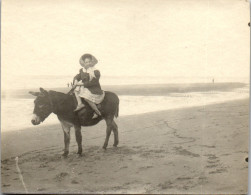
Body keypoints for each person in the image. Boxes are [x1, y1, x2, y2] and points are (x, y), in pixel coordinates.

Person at [73, 54, 104, 119]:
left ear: (92, 62)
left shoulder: (95, 71)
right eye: (86, 62)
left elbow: (93, 82)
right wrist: (76, 80)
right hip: (84, 87)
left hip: (93, 88)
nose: (88, 63)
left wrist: (80, 84)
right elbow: (78, 76)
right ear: (83, 63)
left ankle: (97, 112)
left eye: (89, 62)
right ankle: (80, 104)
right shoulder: (82, 70)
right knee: (75, 91)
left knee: (86, 98)